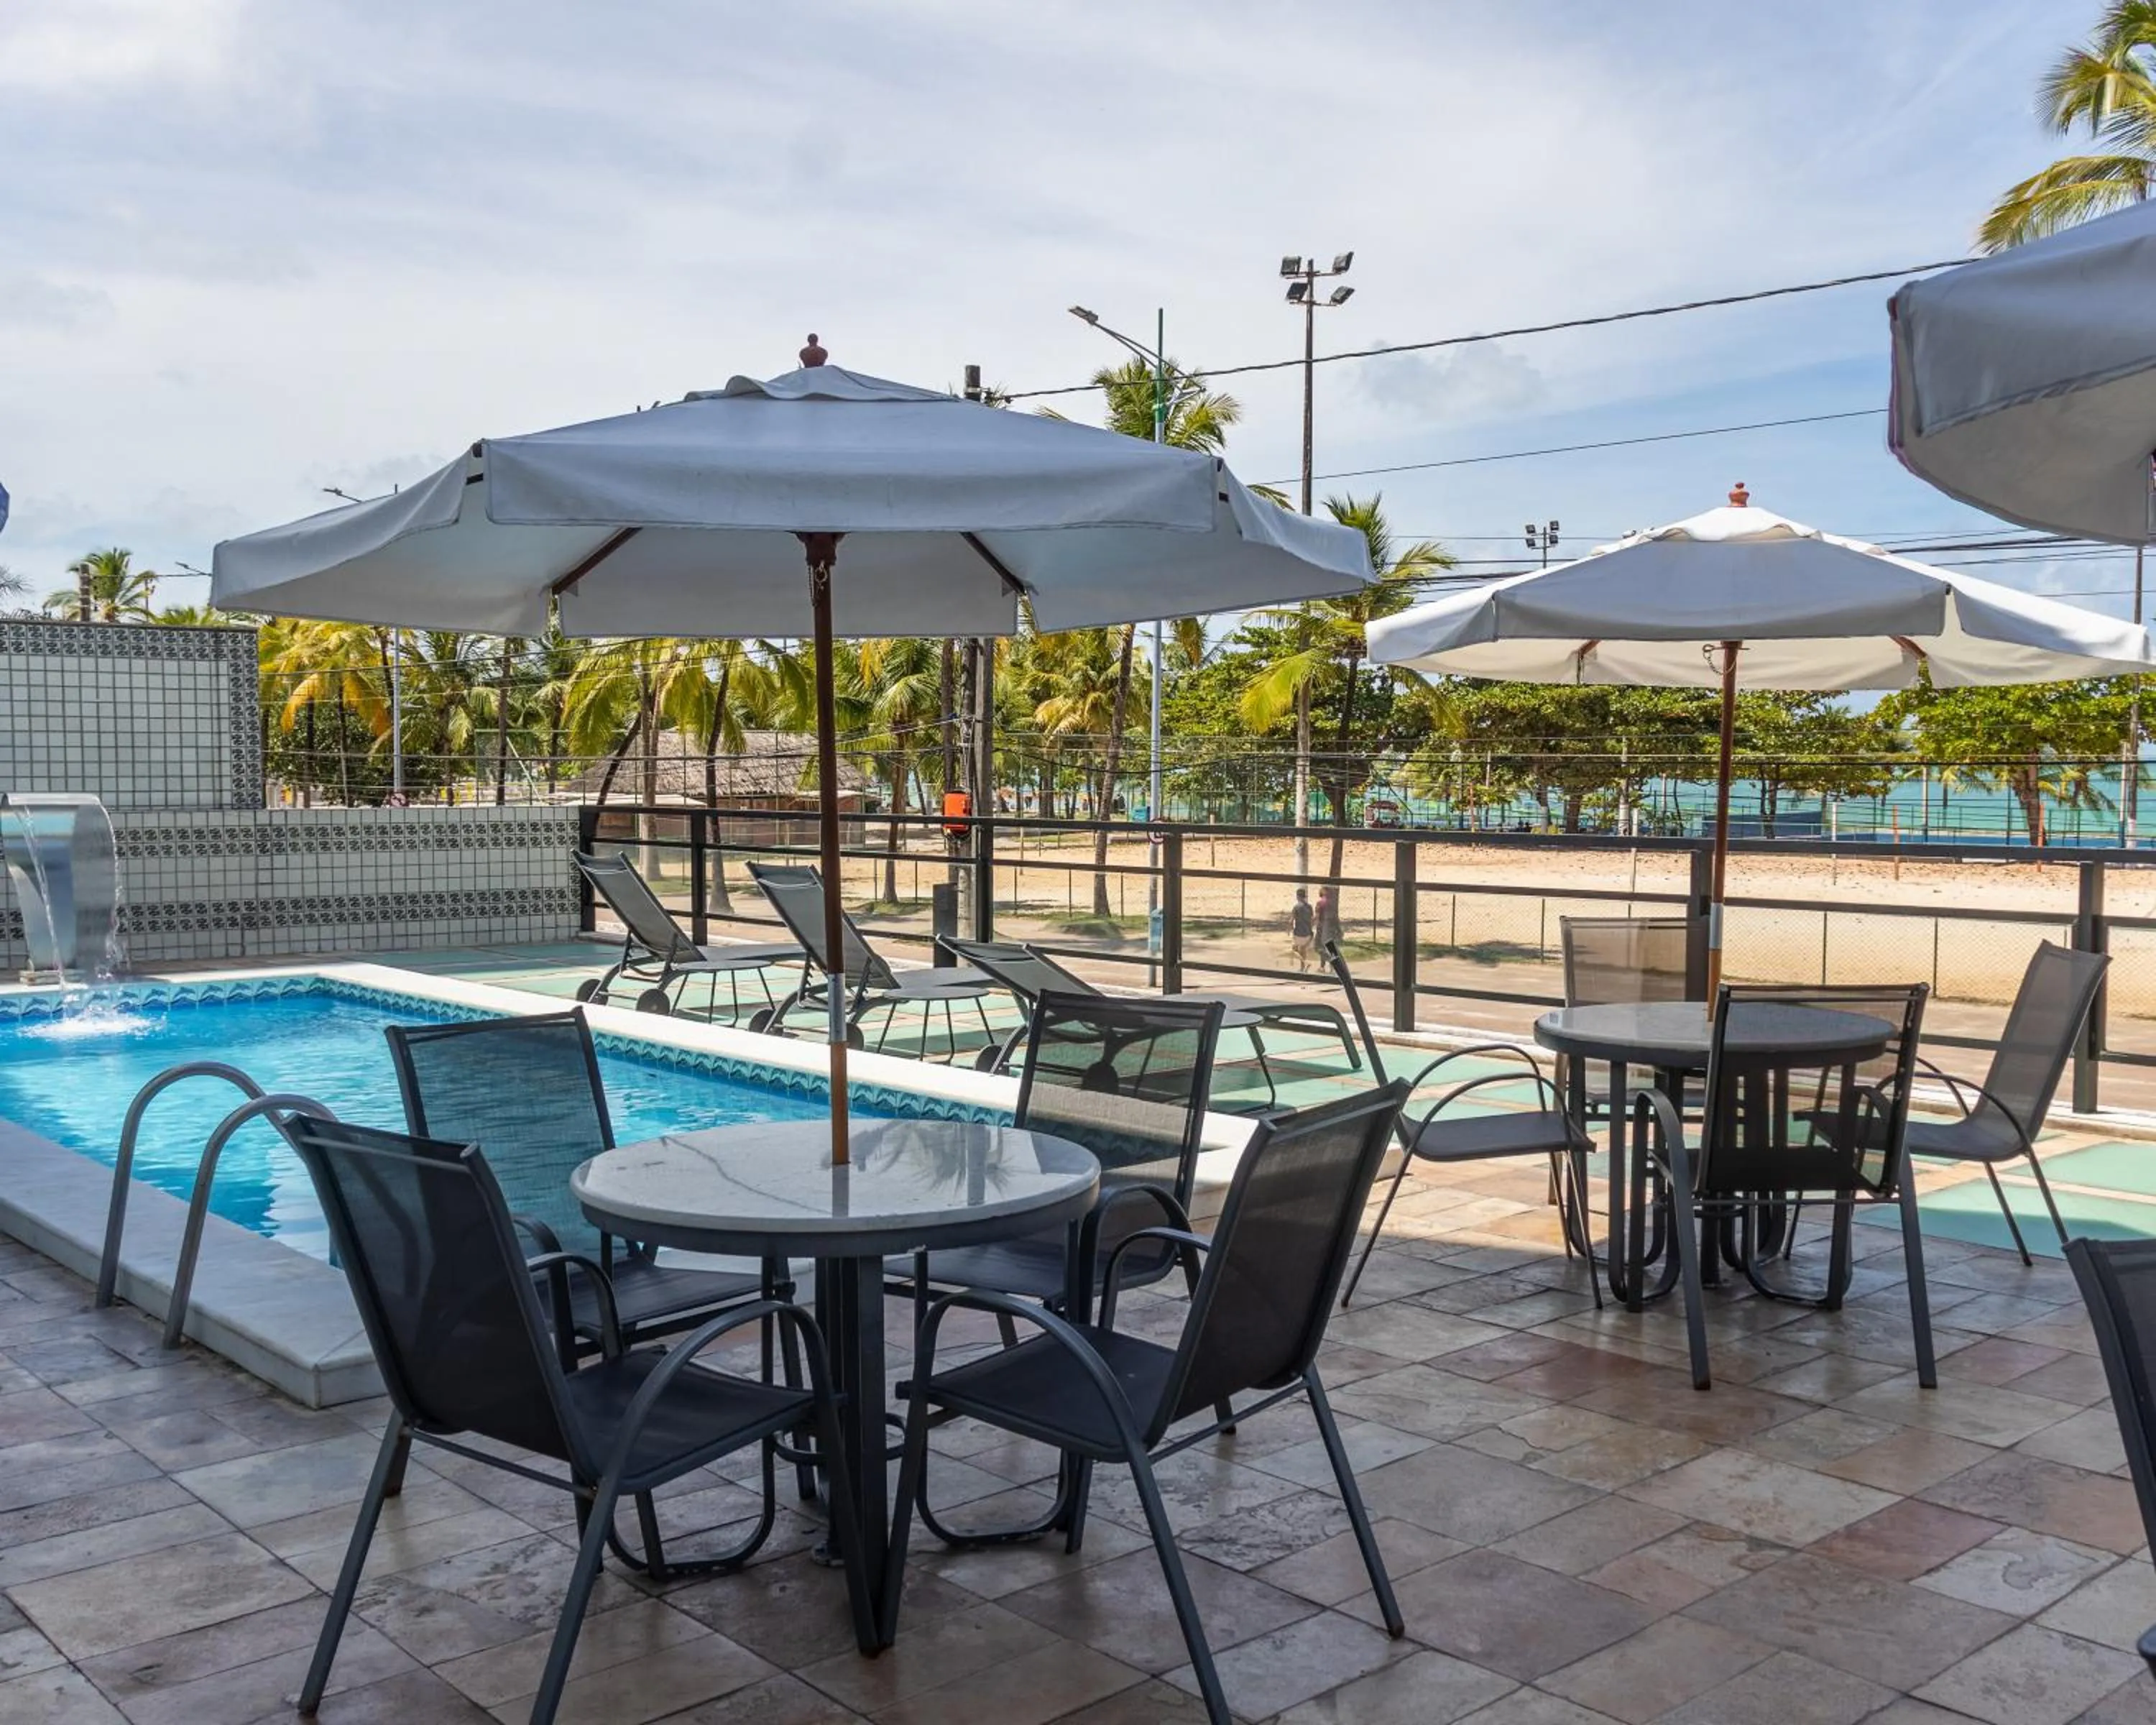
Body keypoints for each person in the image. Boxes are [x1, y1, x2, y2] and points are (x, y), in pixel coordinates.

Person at [1288, 888, 1314, 971]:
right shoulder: (1310, 907)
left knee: (1294, 950)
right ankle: (1302, 968)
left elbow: (1291, 921)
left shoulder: (1296, 907)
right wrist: (1311, 931)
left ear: (1298, 896)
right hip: (1307, 932)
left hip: (1299, 932)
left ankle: (1305, 963)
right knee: (1303, 951)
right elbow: (1312, 920)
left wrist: (1290, 930)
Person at [1314, 884, 1342, 956]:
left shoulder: (1320, 903)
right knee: (1330, 945)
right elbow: (1335, 916)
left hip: (1323, 926)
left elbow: (1317, 916)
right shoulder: (1332, 903)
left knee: (1321, 946)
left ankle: (1329, 959)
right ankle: (1333, 960)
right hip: (1332, 926)